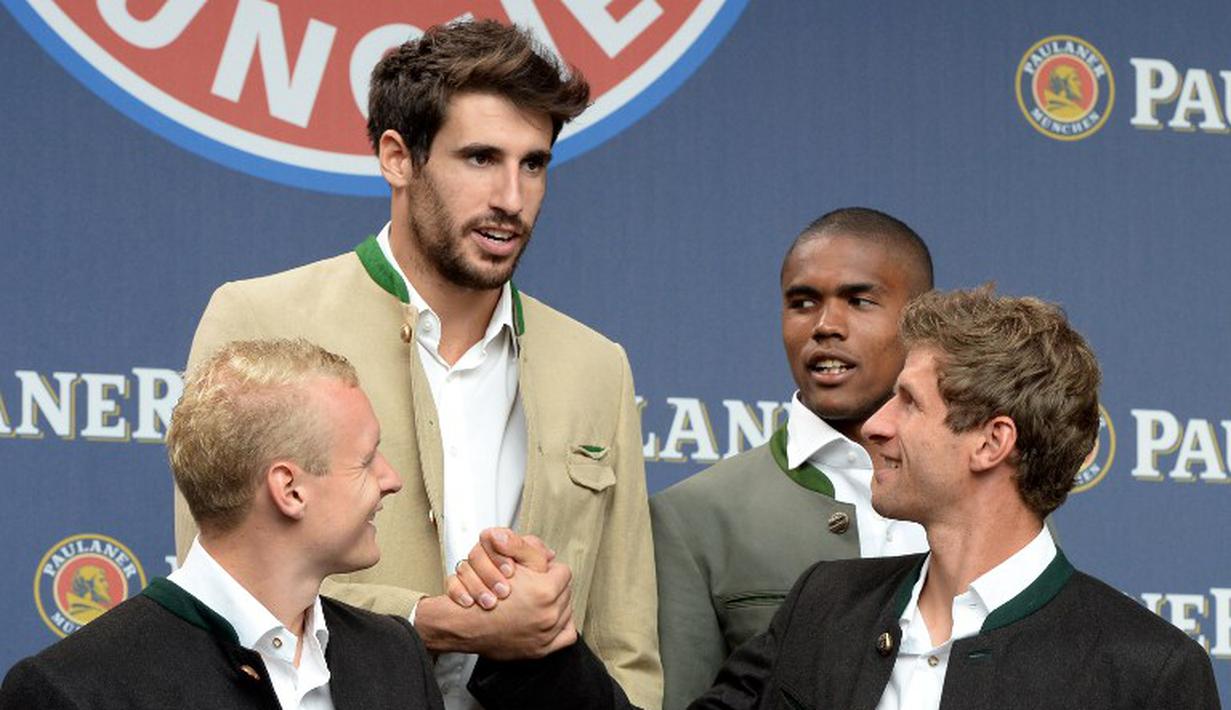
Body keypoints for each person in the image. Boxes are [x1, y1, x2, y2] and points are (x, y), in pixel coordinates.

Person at [173, 19, 661, 710]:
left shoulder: (596, 365)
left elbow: (626, 649)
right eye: (480, 158)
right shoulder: (259, 320)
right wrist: (430, 621)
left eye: (534, 163)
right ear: (398, 157)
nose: (511, 200)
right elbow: (220, 580)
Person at [465, 287, 1222, 710]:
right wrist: (544, 649)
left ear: (990, 443)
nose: (877, 426)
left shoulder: (1146, 673)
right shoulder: (826, 606)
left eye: (908, 404)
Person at [1, 338, 444, 709]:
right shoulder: (72, 690)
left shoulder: (395, 656)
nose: (392, 480)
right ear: (289, 490)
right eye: (366, 461)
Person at [651, 207, 933, 708]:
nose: (826, 325)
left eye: (859, 300)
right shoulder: (694, 516)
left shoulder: (989, 493)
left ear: (921, 320)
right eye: (802, 303)